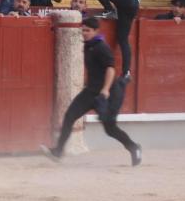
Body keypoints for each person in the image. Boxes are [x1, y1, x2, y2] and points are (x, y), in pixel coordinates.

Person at [41, 16, 141, 166]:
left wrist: (105, 90)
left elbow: (110, 69)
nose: (84, 33)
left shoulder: (101, 47)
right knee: (69, 116)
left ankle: (134, 147)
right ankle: (58, 151)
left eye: (87, 31)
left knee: (110, 128)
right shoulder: (89, 46)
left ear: (96, 31)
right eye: (83, 30)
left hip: (109, 93)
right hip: (91, 91)